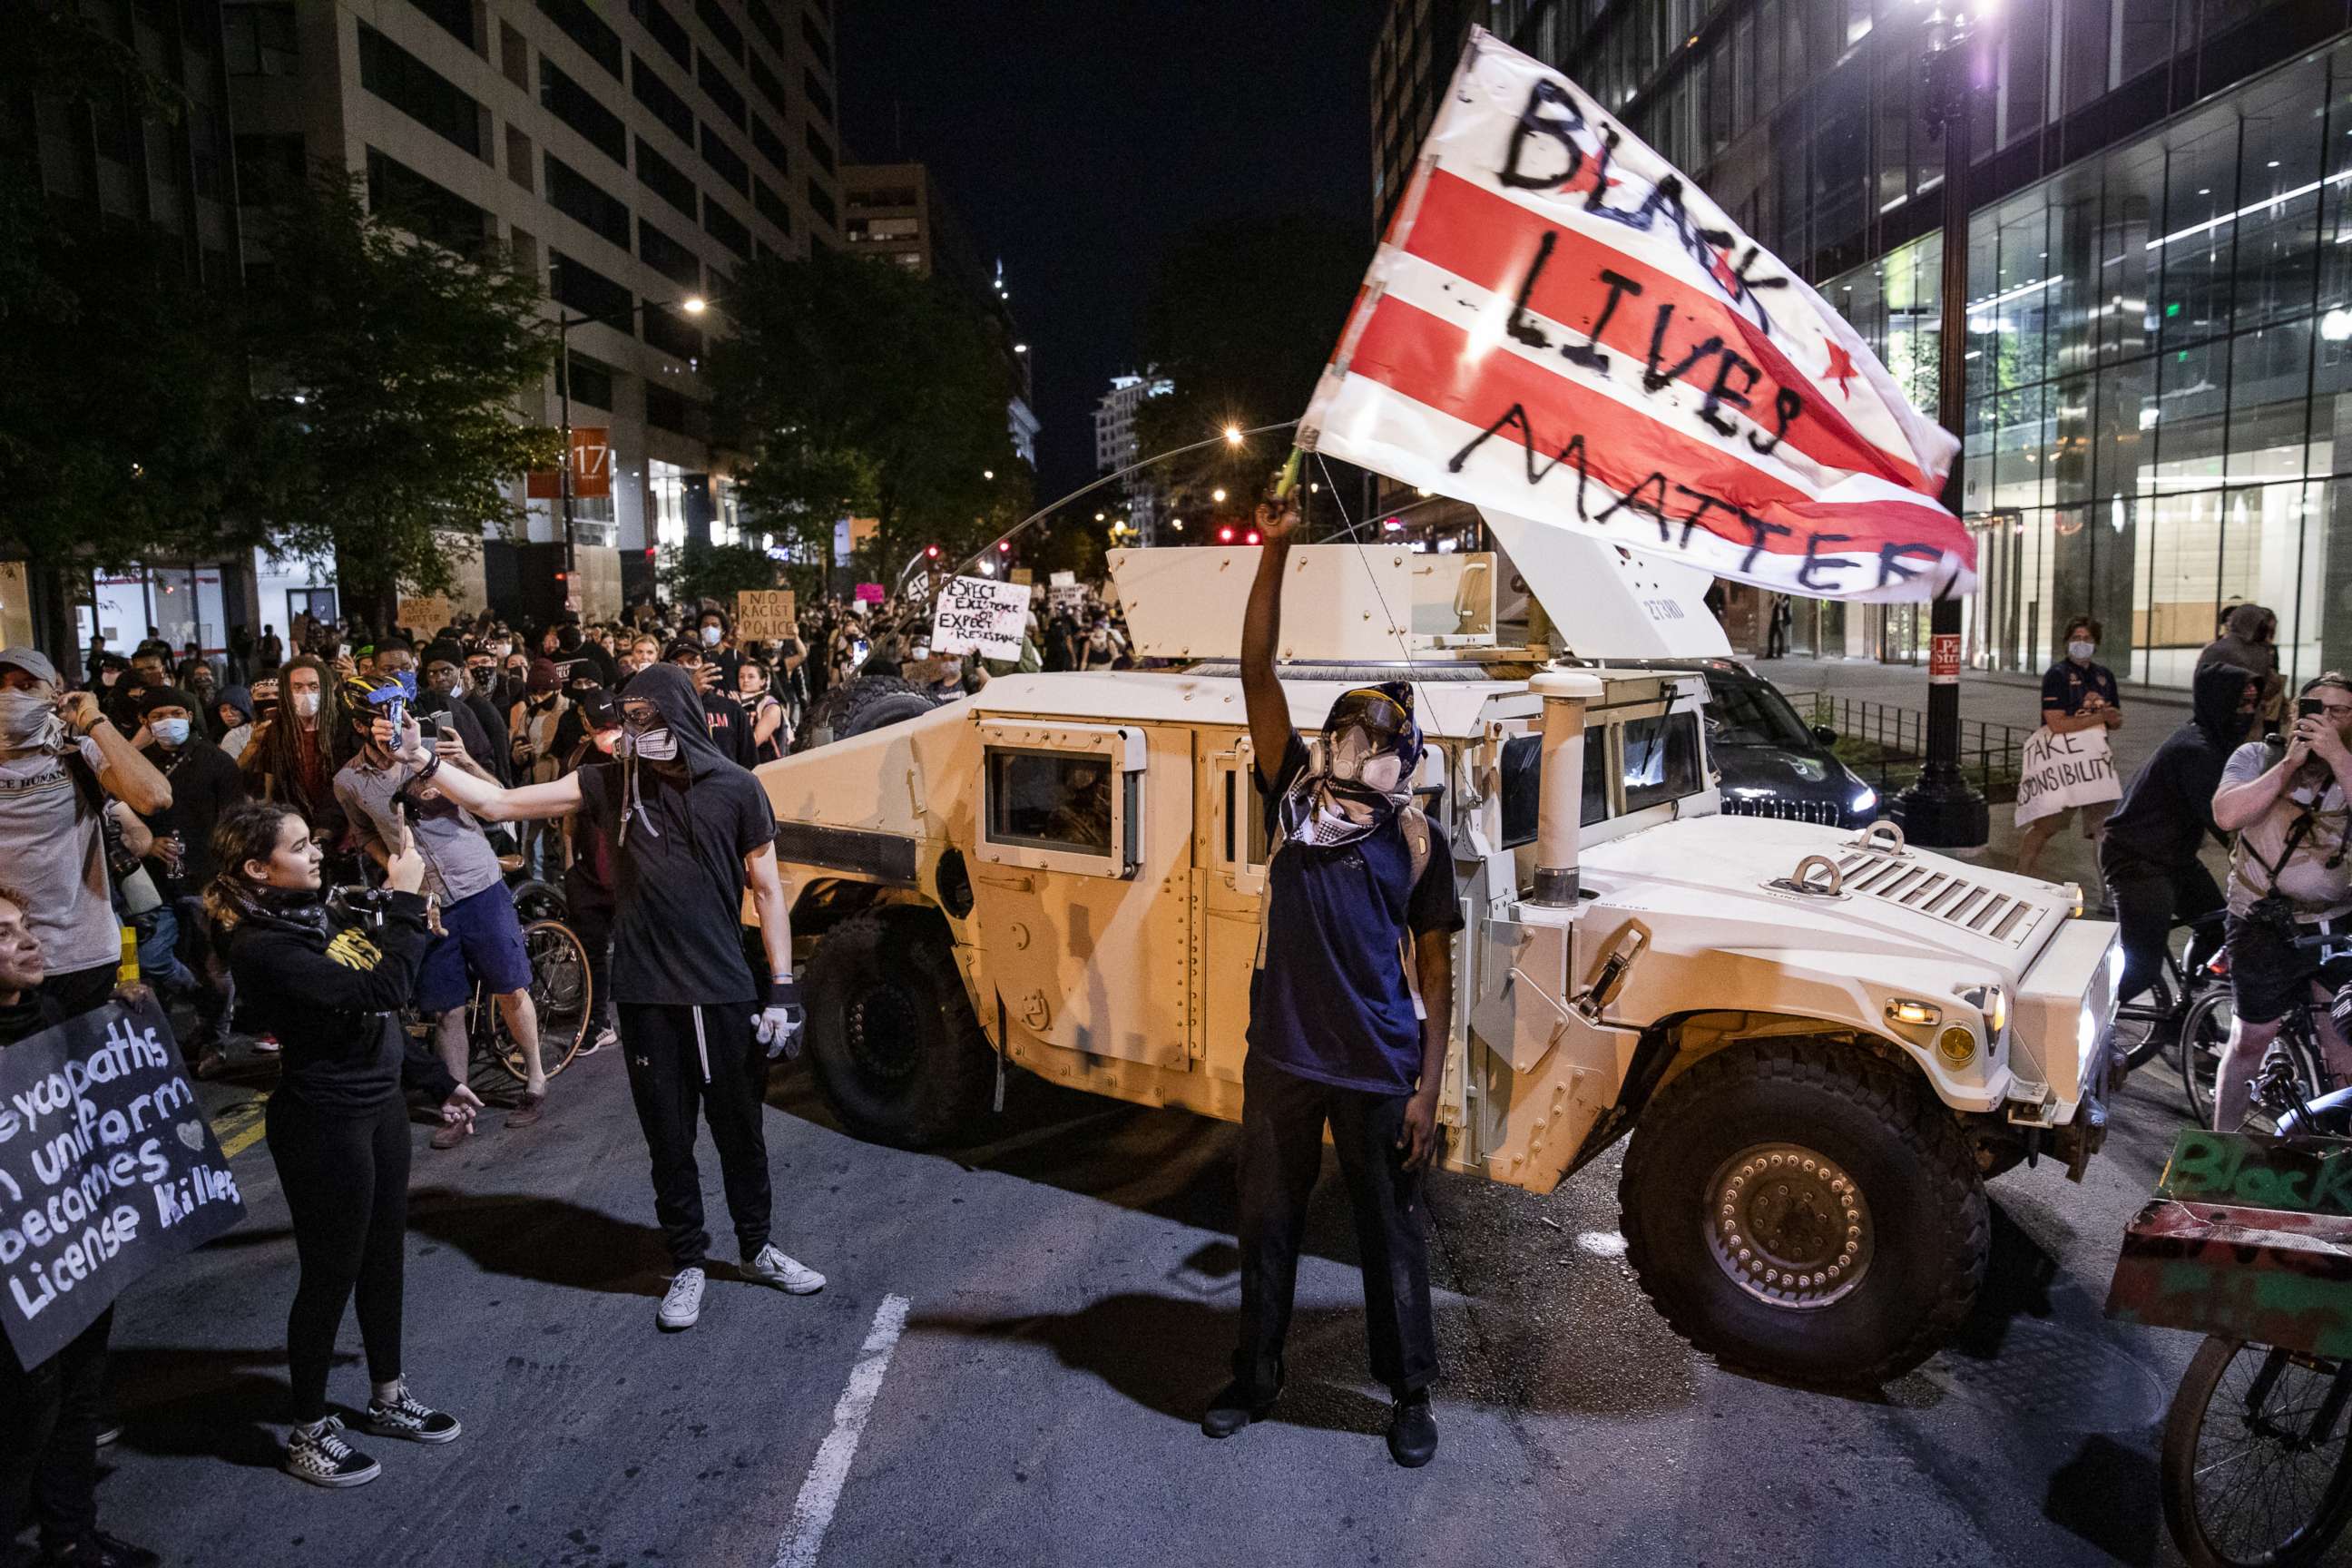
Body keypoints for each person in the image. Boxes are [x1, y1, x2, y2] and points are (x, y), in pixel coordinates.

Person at [396, 663, 823, 1328]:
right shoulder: (606, 783)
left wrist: (783, 987)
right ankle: (686, 1261)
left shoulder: (738, 789)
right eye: (629, 718)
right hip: (648, 994)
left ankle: (757, 1247)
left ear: (679, 713)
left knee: (741, 1131)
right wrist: (424, 760)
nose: (633, 731)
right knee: (668, 1138)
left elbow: (768, 891)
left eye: (646, 717)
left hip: (722, 991)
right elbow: (504, 803)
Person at [1201, 504, 1461, 1468]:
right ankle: (1256, 1378)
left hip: (1380, 1068)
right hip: (1283, 1061)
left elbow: (1436, 967)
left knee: (1391, 1238)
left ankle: (1408, 1394)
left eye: (1372, 739)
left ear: (1398, 760)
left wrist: (1429, 1088)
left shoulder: (1420, 838)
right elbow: (1255, 670)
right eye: (1347, 733)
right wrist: (1272, 549)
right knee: (1264, 1222)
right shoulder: (1292, 799)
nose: (1353, 749)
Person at [210, 803, 480, 1487]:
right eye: (300, 847)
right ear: (256, 867)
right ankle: (307, 1431)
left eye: (311, 841)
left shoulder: (314, 911)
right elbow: (383, 984)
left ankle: (388, 1399)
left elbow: (381, 1019)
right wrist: (409, 903)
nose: (317, 853)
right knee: (331, 1275)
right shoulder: (261, 944)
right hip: (323, 1124)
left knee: (383, 1260)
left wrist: (436, 1080)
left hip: (379, 1109)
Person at [0, 887, 160, 1568]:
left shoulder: (56, 1012)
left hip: (76, 1246)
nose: (29, 941)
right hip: (17, 1274)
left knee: (79, 1397)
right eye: (5, 936)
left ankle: (73, 1538)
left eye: (25, 926)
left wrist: (129, 1029)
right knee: (22, 1422)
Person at [330, 675, 551, 1139]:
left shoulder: (430, 752)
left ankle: (534, 1077)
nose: (392, 721)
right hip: (425, 899)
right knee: (446, 1009)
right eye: (379, 715)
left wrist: (465, 761)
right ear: (359, 724)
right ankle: (460, 1105)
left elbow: (497, 799)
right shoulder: (349, 780)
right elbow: (365, 834)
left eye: (398, 709)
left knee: (509, 988)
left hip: (478, 882)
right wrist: (395, 869)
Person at [2209, 672, 2352, 1129]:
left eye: (2338, 712)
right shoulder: (2257, 756)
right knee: (2253, 1037)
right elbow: (2227, 813)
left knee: (2343, 1040)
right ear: (2295, 713)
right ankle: (2221, 1147)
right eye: (2314, 708)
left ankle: (2335, 1144)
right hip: (2259, 921)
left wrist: (2338, 757)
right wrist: (2289, 766)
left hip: (2333, 923)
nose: (2324, 719)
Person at [0, 649, 172, 1017]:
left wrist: (92, 718)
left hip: (83, 955)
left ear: (55, 693)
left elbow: (154, 797)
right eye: (0, 688)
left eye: (26, 686)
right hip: (6, 964)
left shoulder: (79, 753)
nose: (9, 697)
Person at [2099, 663, 2258, 1016]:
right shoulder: (2196, 750)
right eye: (2240, 705)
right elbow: (2223, 821)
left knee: (2217, 929)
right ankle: (2088, 1029)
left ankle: (2187, 1012)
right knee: (2141, 970)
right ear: (2219, 702)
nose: (2248, 712)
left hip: (2173, 856)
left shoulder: (2211, 740)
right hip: (2136, 857)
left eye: (2252, 704)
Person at [132, 685, 245, 1066]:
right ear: (144, 722)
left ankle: (214, 1039)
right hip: (151, 883)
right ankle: (201, 1003)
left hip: (206, 881)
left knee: (214, 964)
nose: (169, 723)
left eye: (176, 714)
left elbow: (235, 824)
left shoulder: (216, 762)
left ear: (191, 715)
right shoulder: (138, 763)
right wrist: (147, 844)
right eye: (158, 716)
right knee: (153, 960)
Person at [2015, 617, 2122, 880]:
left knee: (2104, 828)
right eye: (2076, 638)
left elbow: (2116, 720)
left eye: (2087, 639)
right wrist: (2100, 718)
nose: (2081, 643)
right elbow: (2057, 723)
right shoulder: (2057, 675)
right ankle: (2020, 875)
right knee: (2046, 825)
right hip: (2063, 763)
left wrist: (2112, 718)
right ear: (2066, 642)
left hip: (2095, 762)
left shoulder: (2104, 676)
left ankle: (2109, 892)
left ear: (2096, 643)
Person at [2202, 603, 2284, 729]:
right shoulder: (2260, 652)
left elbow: (2202, 683)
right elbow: (2271, 686)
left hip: (2216, 716)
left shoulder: (2216, 649)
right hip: (2248, 716)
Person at [738, 661, 787, 764]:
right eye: (741, 676)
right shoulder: (734, 699)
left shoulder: (770, 706)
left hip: (767, 768)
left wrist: (736, 710)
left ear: (763, 681)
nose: (745, 680)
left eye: (751, 676)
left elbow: (753, 742)